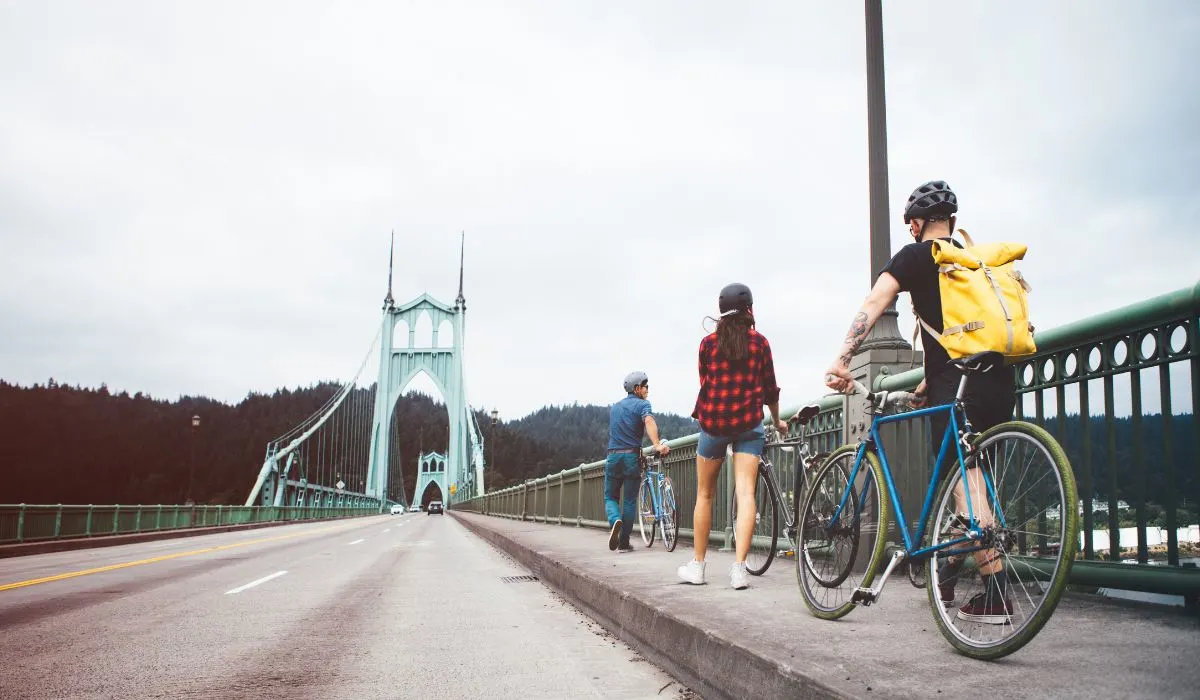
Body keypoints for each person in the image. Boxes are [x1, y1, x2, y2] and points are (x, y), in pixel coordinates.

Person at [823, 180, 1017, 623]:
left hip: (959, 386)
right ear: (952, 221)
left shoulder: (916, 256)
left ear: (915, 223)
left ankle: (996, 594)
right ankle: (947, 567)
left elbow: (874, 303)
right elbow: (952, 335)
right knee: (971, 479)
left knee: (967, 486)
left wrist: (841, 359)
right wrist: (927, 387)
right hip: (998, 379)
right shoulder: (972, 260)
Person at [678, 283, 787, 589]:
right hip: (749, 425)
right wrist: (778, 422)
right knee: (746, 493)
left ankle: (698, 567)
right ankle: (739, 569)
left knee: (704, 494)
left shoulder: (707, 345)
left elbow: (705, 381)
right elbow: (770, 390)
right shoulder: (760, 343)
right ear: (750, 310)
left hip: (714, 424)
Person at [605, 371, 669, 552]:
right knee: (630, 501)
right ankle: (624, 542)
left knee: (610, 497)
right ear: (636, 388)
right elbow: (648, 421)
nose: (648, 389)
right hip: (632, 457)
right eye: (645, 386)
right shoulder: (643, 405)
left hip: (613, 456)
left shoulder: (615, 407)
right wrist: (656, 444)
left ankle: (614, 520)